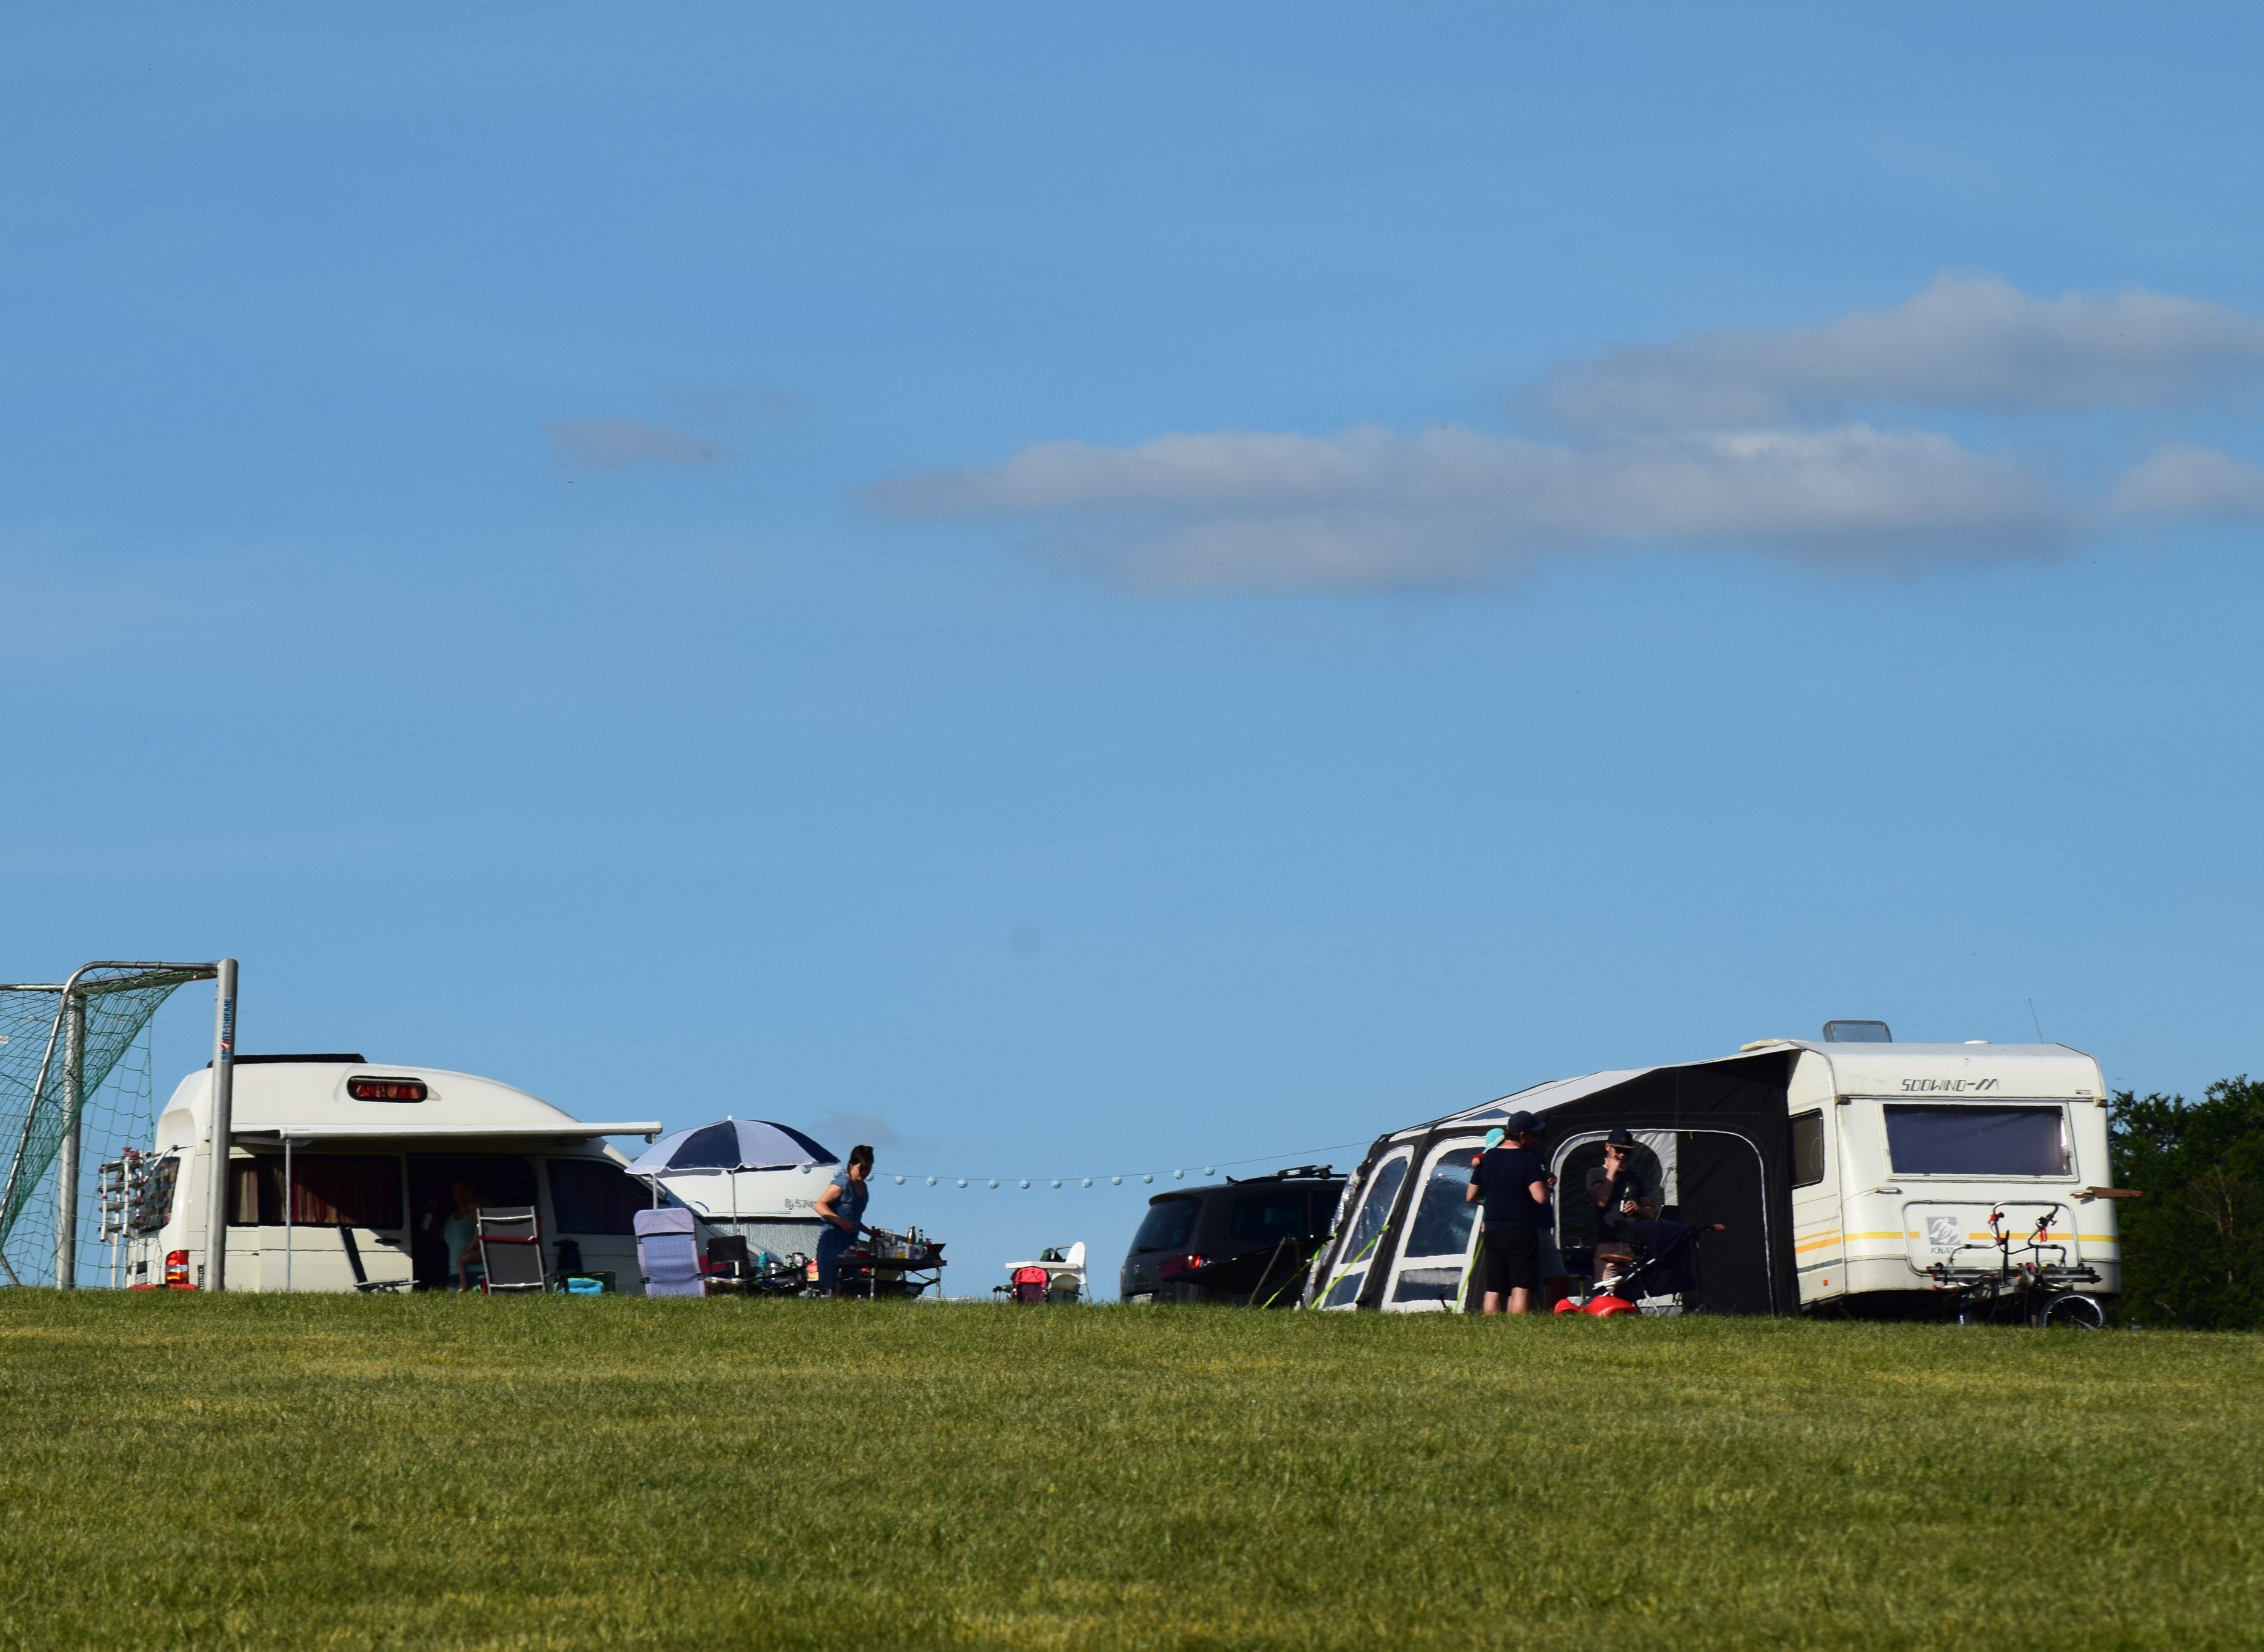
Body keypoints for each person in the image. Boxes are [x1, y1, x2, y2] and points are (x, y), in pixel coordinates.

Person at [1464, 1111, 1553, 1314]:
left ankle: (1491, 1330)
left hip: (1494, 1230)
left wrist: (1493, 1202)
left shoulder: (1487, 1158)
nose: (1534, 1140)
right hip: (1521, 1230)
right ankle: (1517, 1332)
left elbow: (1470, 1195)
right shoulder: (1527, 1159)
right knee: (1520, 1286)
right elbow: (1540, 1197)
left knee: (1494, 1287)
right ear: (1523, 1135)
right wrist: (1545, 1184)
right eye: (1533, 1135)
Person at [813, 1145, 875, 1295]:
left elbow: (854, 1218)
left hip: (851, 1242)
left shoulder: (863, 1188)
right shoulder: (841, 1184)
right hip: (834, 1240)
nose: (864, 1173)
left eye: (868, 1169)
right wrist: (841, 1222)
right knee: (835, 1284)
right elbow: (820, 1205)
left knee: (850, 1284)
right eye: (861, 1169)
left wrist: (870, 1233)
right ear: (852, 1165)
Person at [442, 1181, 483, 1292]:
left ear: (472, 1192)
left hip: (476, 1273)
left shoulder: (480, 1216)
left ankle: (464, 1285)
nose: (460, 1197)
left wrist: (470, 1248)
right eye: (456, 1193)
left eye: (464, 1192)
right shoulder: (451, 1218)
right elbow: (437, 1238)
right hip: (455, 1275)